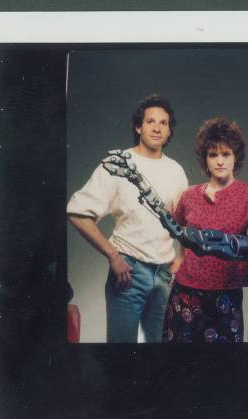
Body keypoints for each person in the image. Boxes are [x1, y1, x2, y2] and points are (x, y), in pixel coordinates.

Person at [163, 118, 248, 343]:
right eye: (213, 155)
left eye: (225, 154)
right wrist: (179, 260)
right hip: (185, 292)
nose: (219, 161)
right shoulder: (189, 196)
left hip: (225, 294)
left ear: (235, 156)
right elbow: (181, 230)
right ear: (205, 159)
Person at [67, 95, 188, 343]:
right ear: (138, 126)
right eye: (150, 121)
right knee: (121, 359)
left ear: (169, 131)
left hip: (165, 275)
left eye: (163, 123)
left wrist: (182, 259)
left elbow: (186, 222)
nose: (156, 128)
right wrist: (113, 255)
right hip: (129, 273)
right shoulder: (118, 164)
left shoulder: (176, 171)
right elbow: (77, 212)